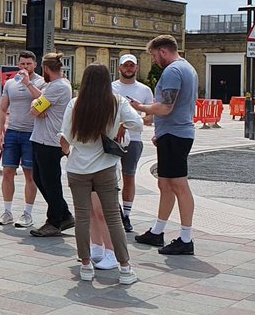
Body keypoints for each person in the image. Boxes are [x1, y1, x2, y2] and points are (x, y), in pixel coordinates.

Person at [60, 63, 141, 284]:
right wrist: (119, 126)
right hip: (105, 166)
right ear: (108, 80)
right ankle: (125, 269)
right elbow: (138, 123)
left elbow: (64, 139)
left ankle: (86, 265)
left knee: (82, 217)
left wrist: (70, 155)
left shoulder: (75, 104)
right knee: (113, 218)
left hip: (77, 167)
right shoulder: (117, 102)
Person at [132, 35, 199, 255]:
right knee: (165, 184)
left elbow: (166, 107)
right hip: (173, 132)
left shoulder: (172, 71)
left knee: (178, 185)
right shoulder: (188, 68)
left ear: (163, 51)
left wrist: (141, 107)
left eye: (153, 55)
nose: (153, 60)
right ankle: (158, 230)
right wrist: (157, 125)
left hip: (175, 134)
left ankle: (186, 238)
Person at [26, 53, 75, 238]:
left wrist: (38, 107)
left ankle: (54, 220)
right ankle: (64, 214)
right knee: (40, 178)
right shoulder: (52, 86)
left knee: (50, 181)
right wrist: (37, 105)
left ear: (45, 69)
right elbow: (37, 104)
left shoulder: (59, 87)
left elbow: (34, 110)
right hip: (41, 138)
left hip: (50, 140)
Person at [0, 52, 44, 228]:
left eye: (28, 64)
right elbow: (1, 109)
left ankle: (27, 213)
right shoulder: (10, 83)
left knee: (30, 173)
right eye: (22, 64)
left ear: (35, 65)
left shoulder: (41, 82)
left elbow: (43, 102)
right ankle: (7, 211)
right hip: (13, 131)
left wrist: (28, 83)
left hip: (32, 133)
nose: (24, 67)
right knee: (8, 171)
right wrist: (0, 133)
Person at [111, 54, 154, 233]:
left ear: (136, 68)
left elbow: (150, 117)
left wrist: (131, 122)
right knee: (109, 176)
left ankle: (126, 214)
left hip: (134, 139)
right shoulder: (111, 87)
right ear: (119, 68)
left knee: (129, 176)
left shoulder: (144, 90)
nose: (128, 68)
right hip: (112, 138)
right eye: (125, 65)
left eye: (131, 65)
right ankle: (114, 212)